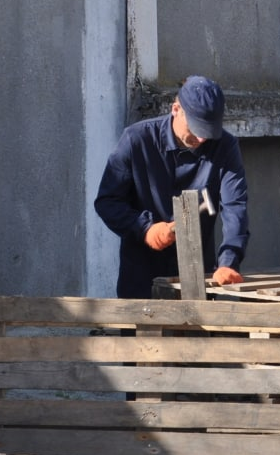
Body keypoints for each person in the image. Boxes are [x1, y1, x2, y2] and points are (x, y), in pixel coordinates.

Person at [94, 75, 249, 298]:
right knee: (140, 330)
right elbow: (107, 201)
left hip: (198, 277)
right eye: (195, 128)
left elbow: (235, 207)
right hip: (140, 276)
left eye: (208, 131)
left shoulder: (225, 146)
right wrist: (144, 228)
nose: (201, 139)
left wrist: (228, 261)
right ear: (176, 109)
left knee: (195, 332)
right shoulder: (137, 140)